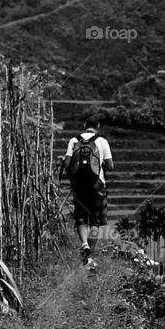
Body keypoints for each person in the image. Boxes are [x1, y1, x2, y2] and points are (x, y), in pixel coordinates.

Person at [60, 115, 113, 269]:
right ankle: (90, 256)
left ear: (84, 125)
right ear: (98, 125)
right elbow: (110, 166)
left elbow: (68, 164)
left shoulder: (74, 140)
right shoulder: (102, 141)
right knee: (95, 220)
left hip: (79, 185)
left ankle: (84, 243)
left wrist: (64, 160)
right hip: (97, 185)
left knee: (81, 217)